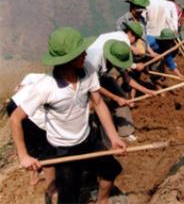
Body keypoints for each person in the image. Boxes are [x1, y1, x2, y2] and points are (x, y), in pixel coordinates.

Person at [10, 27, 126, 204]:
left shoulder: (88, 70)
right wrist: (23, 156)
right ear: (68, 59)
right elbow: (15, 118)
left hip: (88, 138)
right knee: (68, 196)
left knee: (110, 170)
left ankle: (102, 201)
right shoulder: (46, 87)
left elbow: (99, 103)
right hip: (64, 148)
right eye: (80, 53)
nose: (86, 54)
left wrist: (114, 137)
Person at [85, 31, 155, 137]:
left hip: (100, 76)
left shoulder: (116, 54)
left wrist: (146, 91)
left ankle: (126, 133)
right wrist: (115, 98)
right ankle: (94, 133)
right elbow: (94, 87)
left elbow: (128, 79)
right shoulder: (94, 60)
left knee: (122, 96)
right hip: (84, 81)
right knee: (93, 105)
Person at [7, 74, 57, 202]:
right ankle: (52, 189)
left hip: (14, 103)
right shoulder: (57, 89)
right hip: (30, 116)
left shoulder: (39, 76)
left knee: (28, 142)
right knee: (47, 150)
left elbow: (19, 86)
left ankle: (33, 175)